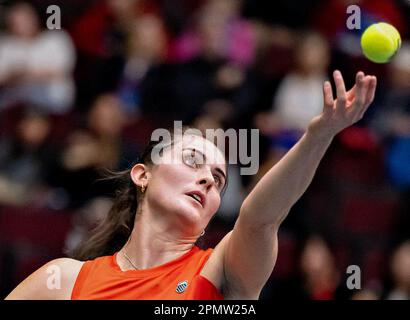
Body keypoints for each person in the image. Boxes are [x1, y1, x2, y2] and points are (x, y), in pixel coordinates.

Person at [5, 70, 377, 299]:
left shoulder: (222, 272)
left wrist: (318, 137)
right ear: (142, 175)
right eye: (193, 161)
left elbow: (260, 217)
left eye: (218, 179)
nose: (206, 179)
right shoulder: (65, 280)